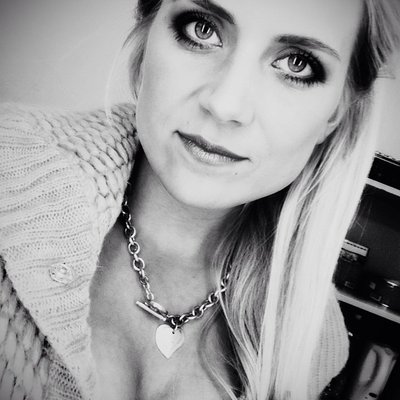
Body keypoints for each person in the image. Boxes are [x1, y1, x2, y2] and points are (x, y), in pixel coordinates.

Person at [0, 0, 399, 399]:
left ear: (336, 112)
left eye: (297, 64)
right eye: (202, 29)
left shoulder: (316, 342)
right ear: (147, 33)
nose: (225, 105)